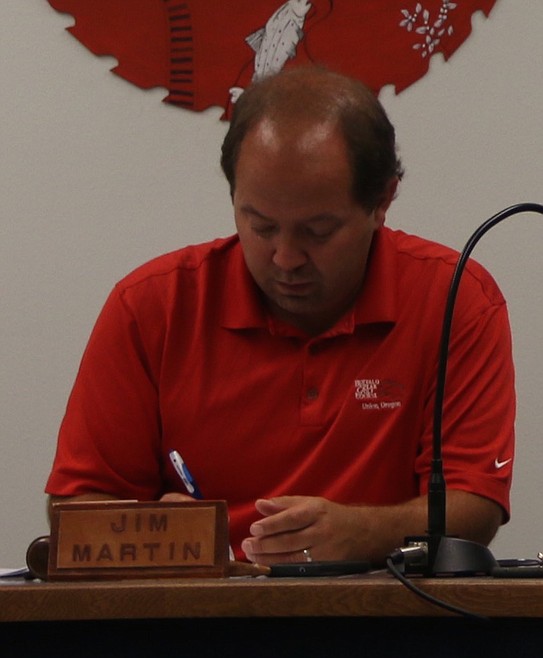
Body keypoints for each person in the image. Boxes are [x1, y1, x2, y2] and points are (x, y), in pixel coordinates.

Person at [45, 66, 515, 567]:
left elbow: (474, 508)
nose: (286, 258)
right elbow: (73, 511)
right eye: (261, 226)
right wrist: (158, 533)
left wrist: (362, 532)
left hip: (383, 606)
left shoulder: (456, 298)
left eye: (318, 231)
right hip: (198, 608)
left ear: (382, 201)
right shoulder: (152, 307)